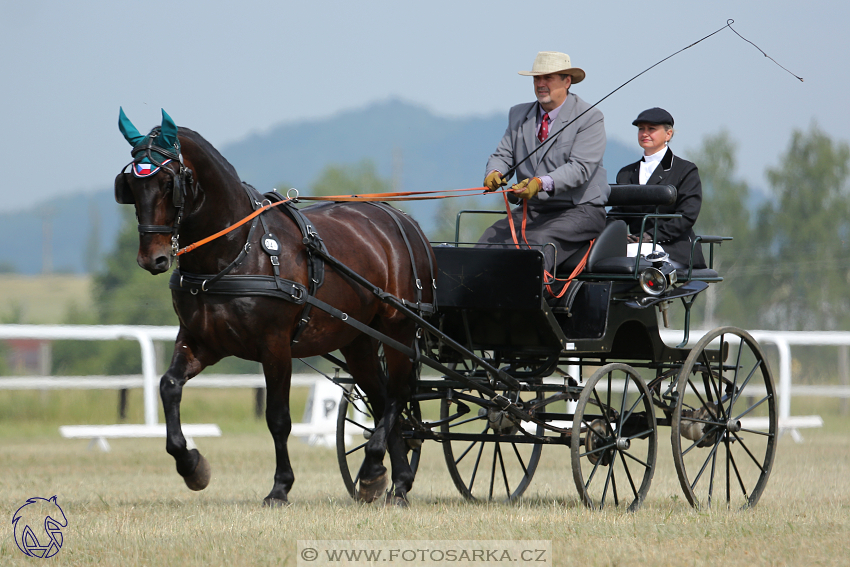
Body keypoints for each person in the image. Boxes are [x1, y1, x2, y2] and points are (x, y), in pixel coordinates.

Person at [478, 51, 610, 274]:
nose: (541, 84)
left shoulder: (589, 117)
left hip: (579, 210)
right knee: (486, 241)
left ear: (567, 81)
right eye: (536, 78)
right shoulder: (518, 114)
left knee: (536, 244)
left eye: (548, 78)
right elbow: (503, 154)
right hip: (534, 211)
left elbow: (579, 168)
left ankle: (527, 305)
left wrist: (539, 183)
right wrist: (495, 171)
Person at [609, 107, 706, 268]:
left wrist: (650, 236)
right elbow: (618, 213)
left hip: (672, 248)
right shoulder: (626, 173)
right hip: (636, 246)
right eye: (641, 129)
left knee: (629, 254)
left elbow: (687, 216)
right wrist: (614, 234)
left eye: (651, 129)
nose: (644, 133)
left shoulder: (685, 170)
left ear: (668, 134)